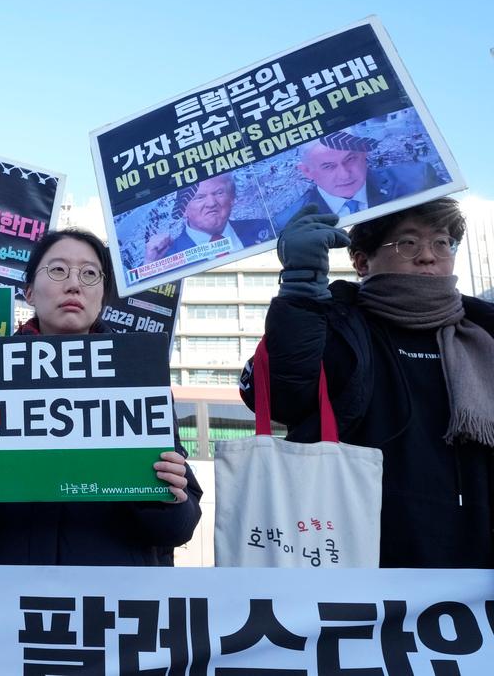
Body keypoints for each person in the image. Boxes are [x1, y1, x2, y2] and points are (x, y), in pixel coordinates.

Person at [0, 228, 202, 565]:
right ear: (29, 293)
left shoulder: (137, 377)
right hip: (3, 599)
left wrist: (166, 497)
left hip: (109, 603)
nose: (74, 284)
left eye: (89, 274)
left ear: (102, 297)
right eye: (57, 270)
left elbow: (180, 526)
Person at [240, 199, 494, 568]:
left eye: (442, 242)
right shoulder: (331, 323)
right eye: (408, 243)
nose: (428, 256)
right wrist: (300, 288)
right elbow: (283, 397)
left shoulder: (483, 331)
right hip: (357, 562)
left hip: (476, 572)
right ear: (361, 261)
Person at [274, 131, 445, 230]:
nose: (344, 174)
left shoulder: (417, 179)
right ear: (306, 171)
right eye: (328, 167)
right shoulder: (289, 222)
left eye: (350, 159)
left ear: (364, 153)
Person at [145, 174, 274, 264]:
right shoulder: (164, 260)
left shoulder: (263, 227)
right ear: (183, 209)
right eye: (199, 197)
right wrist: (150, 267)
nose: (211, 203)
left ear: (232, 198)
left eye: (219, 193)